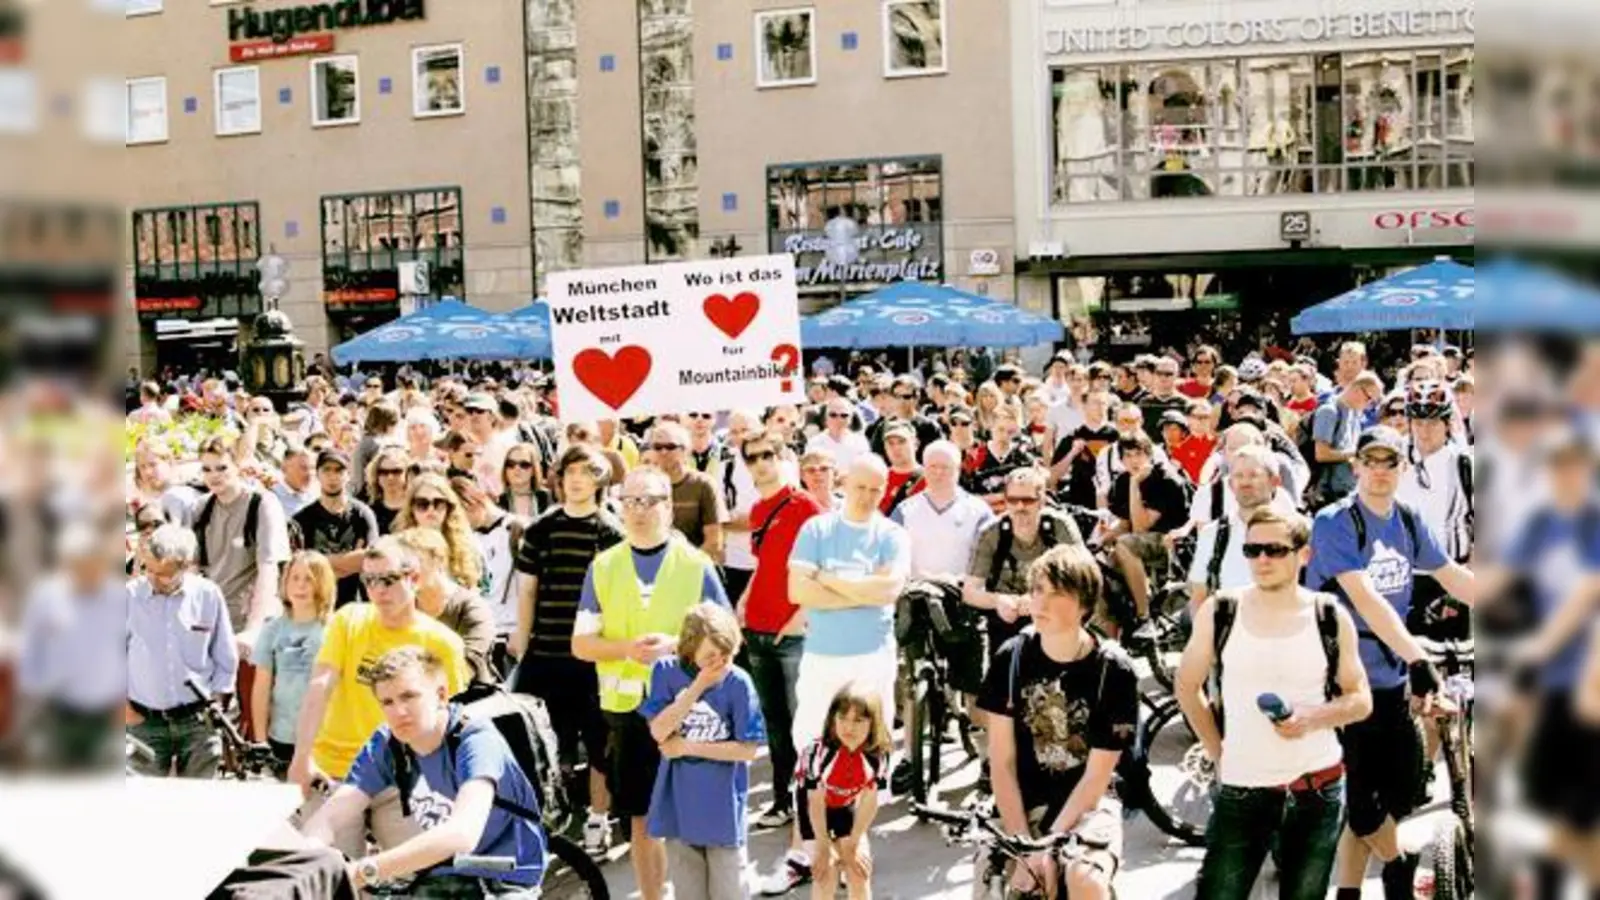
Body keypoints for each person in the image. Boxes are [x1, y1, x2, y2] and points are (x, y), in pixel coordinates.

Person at [1302, 427, 1476, 900]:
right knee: (1362, 807)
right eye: (1371, 461)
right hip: (1342, 683)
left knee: (1390, 799)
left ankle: (1350, 892)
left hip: (1391, 681)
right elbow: (1366, 599)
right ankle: (1398, 866)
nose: (1380, 471)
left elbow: (1453, 576)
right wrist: (1418, 657)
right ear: (1355, 465)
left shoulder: (1408, 519)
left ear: (1404, 467)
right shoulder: (1335, 522)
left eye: (1390, 462)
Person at [1175, 507, 1373, 900]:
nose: (1262, 560)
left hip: (1317, 786)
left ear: (1304, 555)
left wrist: (1313, 717)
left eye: (1275, 550)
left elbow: (1361, 699)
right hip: (1242, 787)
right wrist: (1218, 753)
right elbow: (1186, 685)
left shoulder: (1328, 615)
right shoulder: (1222, 610)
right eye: (1252, 550)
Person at [571, 466, 731, 900]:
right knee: (642, 818)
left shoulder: (695, 565)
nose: (639, 511)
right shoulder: (603, 567)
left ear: (669, 507)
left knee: (693, 816)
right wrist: (627, 649)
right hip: (627, 714)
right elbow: (581, 644)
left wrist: (676, 645)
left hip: (689, 709)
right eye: (630, 501)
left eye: (650, 501)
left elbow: (727, 634)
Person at [762, 455, 910, 895]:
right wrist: (862, 592)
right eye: (860, 487)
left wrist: (828, 581)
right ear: (845, 482)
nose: (867, 496)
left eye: (876, 489)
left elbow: (889, 590)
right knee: (810, 754)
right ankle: (804, 852)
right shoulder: (818, 529)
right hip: (824, 658)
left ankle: (852, 849)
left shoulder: (891, 534)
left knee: (867, 754)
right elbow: (798, 590)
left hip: (872, 657)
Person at [300, 647, 547, 898]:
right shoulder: (387, 744)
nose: (398, 712)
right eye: (387, 702)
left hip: (506, 876)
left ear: (441, 695)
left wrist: (367, 870)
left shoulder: (475, 739)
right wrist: (308, 858)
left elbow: (462, 833)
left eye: (409, 696)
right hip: (442, 873)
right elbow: (332, 815)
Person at [286, 537, 470, 859]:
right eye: (369, 580)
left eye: (388, 579)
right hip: (336, 771)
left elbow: (452, 720)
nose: (378, 590)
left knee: (419, 868)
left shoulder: (442, 642)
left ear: (414, 579)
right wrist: (302, 757)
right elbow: (320, 684)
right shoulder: (349, 620)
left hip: (404, 774)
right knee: (328, 868)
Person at [976, 544, 1136, 900]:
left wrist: (1046, 848)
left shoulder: (1113, 670)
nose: (1041, 603)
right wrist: (1023, 846)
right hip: (1021, 801)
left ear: (1084, 605)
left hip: (1087, 803)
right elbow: (1001, 763)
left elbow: (1097, 777)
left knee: (1085, 879)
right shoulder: (1011, 658)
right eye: (1037, 590)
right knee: (992, 884)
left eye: (1057, 593)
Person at [510, 444, 625, 855]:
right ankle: (549, 822)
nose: (576, 480)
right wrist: (522, 641)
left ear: (600, 479)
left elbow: (618, 598)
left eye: (586, 472)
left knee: (599, 743)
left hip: (593, 657)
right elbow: (527, 590)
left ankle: (597, 818)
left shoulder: (611, 532)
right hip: (547, 654)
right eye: (570, 472)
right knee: (544, 744)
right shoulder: (540, 529)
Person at [641, 604, 766, 900]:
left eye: (726, 655)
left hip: (722, 808)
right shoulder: (666, 671)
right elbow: (659, 731)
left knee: (729, 890)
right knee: (688, 891)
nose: (719, 663)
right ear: (689, 648)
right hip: (679, 806)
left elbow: (747, 750)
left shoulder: (738, 682)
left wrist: (686, 747)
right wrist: (697, 687)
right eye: (710, 656)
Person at [740, 429, 823, 831]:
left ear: (781, 456)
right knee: (774, 723)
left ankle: (811, 801)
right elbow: (763, 564)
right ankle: (782, 799)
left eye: (766, 455)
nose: (760, 464)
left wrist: (801, 615)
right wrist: (744, 601)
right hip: (757, 627)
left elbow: (824, 567)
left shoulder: (806, 507)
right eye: (751, 458)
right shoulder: (758, 510)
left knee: (802, 722)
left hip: (793, 632)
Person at [192, 436, 292, 728]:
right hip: (214, 620)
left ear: (237, 466)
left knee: (255, 710)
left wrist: (253, 628)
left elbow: (268, 568)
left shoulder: (261, 504)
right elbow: (194, 570)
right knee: (212, 713)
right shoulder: (201, 508)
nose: (214, 476)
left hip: (253, 616)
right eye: (207, 469)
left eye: (222, 467)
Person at [126, 524, 239, 778]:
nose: (154, 579)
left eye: (164, 574)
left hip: (198, 721)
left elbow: (225, 655)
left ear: (185, 566)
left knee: (198, 798)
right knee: (139, 798)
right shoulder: (128, 597)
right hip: (143, 721)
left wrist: (218, 703)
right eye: (148, 570)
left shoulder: (208, 595)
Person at [13, 524, 125, 772]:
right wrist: (32, 697)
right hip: (56, 709)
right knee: (56, 780)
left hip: (105, 714)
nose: (88, 572)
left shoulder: (119, 598)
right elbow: (31, 649)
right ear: (68, 565)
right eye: (80, 565)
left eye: (93, 564)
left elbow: (129, 650)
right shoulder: (47, 596)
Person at [793, 684, 892, 900]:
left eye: (858, 720)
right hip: (813, 810)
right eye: (842, 718)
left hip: (844, 806)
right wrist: (823, 846)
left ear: (873, 724)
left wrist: (853, 844)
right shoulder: (817, 752)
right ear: (832, 719)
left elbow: (869, 801)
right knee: (826, 872)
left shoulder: (879, 754)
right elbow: (814, 801)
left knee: (859, 871)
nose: (849, 727)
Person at [965, 467, 1083, 649]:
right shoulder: (991, 533)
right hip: (1007, 618)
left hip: (1054, 614)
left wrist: (1042, 598)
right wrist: (998, 601)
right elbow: (970, 591)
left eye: (1028, 500)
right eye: (1013, 500)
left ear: (1041, 501)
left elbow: (1082, 578)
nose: (1020, 507)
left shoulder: (1059, 527)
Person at [252, 552, 335, 768]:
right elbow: (261, 687)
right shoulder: (272, 629)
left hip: (324, 738)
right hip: (282, 736)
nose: (301, 586)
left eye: (309, 579)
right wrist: (260, 740)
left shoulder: (334, 629)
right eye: (295, 578)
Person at [1104, 430, 1191, 634]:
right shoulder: (1122, 481)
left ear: (1149, 455)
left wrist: (1135, 485)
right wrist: (1096, 544)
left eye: (1139, 454)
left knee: (1125, 545)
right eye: (1128, 455)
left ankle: (1144, 616)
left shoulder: (1164, 479)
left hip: (1170, 544)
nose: (1134, 460)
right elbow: (1125, 524)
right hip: (1140, 543)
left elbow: (1141, 527)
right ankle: (1114, 631)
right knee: (1107, 563)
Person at [395, 528, 499, 686]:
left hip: (470, 694)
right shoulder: (400, 608)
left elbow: (466, 666)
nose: (407, 571)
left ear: (439, 561)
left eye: (415, 562)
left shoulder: (472, 607)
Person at [1187, 446, 1284, 612]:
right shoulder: (1213, 534)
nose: (1245, 482)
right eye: (1238, 476)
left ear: (1274, 482)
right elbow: (1199, 597)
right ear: (1230, 484)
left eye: (1253, 475)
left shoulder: (1296, 532)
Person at [293, 450, 379, 610]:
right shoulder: (302, 519)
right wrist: (350, 561)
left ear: (348, 474)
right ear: (317, 474)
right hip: (316, 604)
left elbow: (370, 560)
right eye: (326, 470)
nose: (332, 476)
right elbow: (300, 567)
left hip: (355, 605)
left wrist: (320, 563)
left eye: (339, 470)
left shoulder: (362, 514)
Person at [647, 421, 729, 563]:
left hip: (694, 567)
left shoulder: (703, 485)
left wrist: (682, 567)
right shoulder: (645, 485)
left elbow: (714, 541)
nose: (663, 452)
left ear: (685, 450)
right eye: (657, 447)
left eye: (670, 446)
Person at [1307, 371, 1383, 506]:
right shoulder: (1329, 411)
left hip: (1348, 491)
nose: (1369, 405)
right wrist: (1356, 453)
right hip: (1327, 494)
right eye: (1369, 399)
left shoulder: (1354, 414)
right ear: (1357, 389)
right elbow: (1321, 454)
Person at [807, 398, 872, 477]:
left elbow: (865, 471)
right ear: (826, 418)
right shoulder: (814, 443)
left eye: (844, 415)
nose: (838, 419)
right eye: (833, 415)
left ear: (850, 419)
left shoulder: (860, 442)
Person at [877, 420, 926, 516]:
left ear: (916, 444)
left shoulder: (930, 478)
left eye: (902, 441)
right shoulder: (877, 478)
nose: (896, 448)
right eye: (890, 443)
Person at [274, 445, 319, 518]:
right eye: (304, 468)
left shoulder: (316, 500)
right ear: (284, 467)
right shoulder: (271, 497)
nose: (310, 473)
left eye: (312, 468)